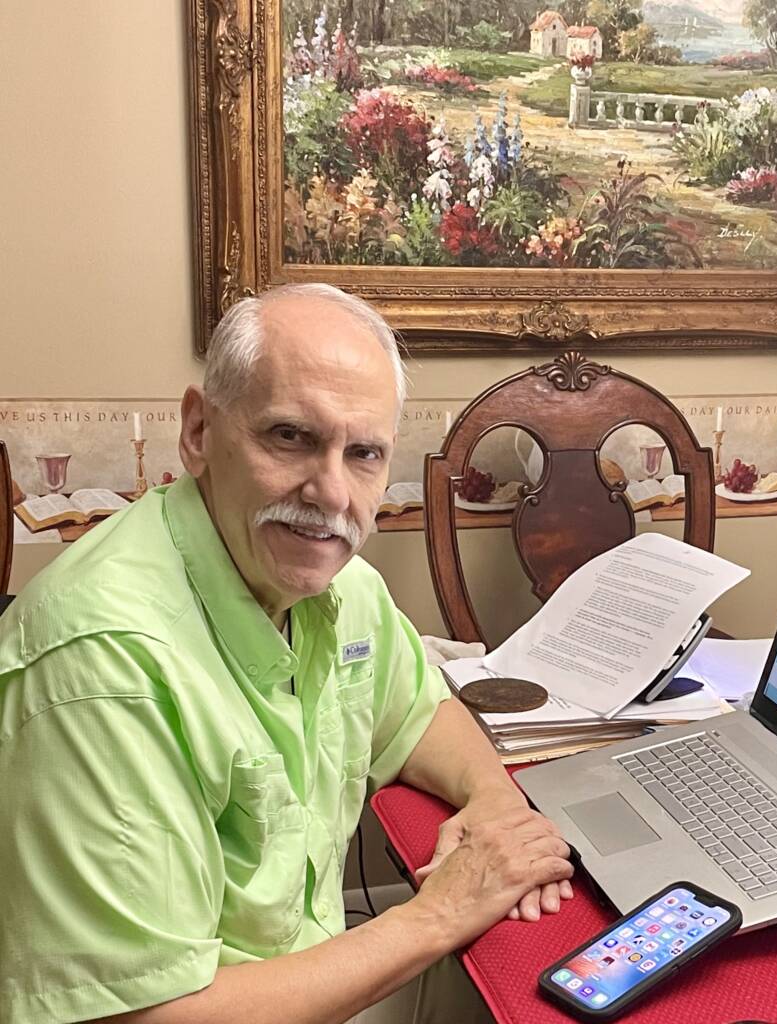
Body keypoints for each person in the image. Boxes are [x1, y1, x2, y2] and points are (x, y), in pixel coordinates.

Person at [0, 284, 574, 1024]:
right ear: (199, 431)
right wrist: (443, 911)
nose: (331, 493)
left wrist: (494, 804)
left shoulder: (339, 584)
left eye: (363, 453)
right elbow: (143, 1016)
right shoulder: (105, 666)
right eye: (291, 437)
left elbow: (420, 711)